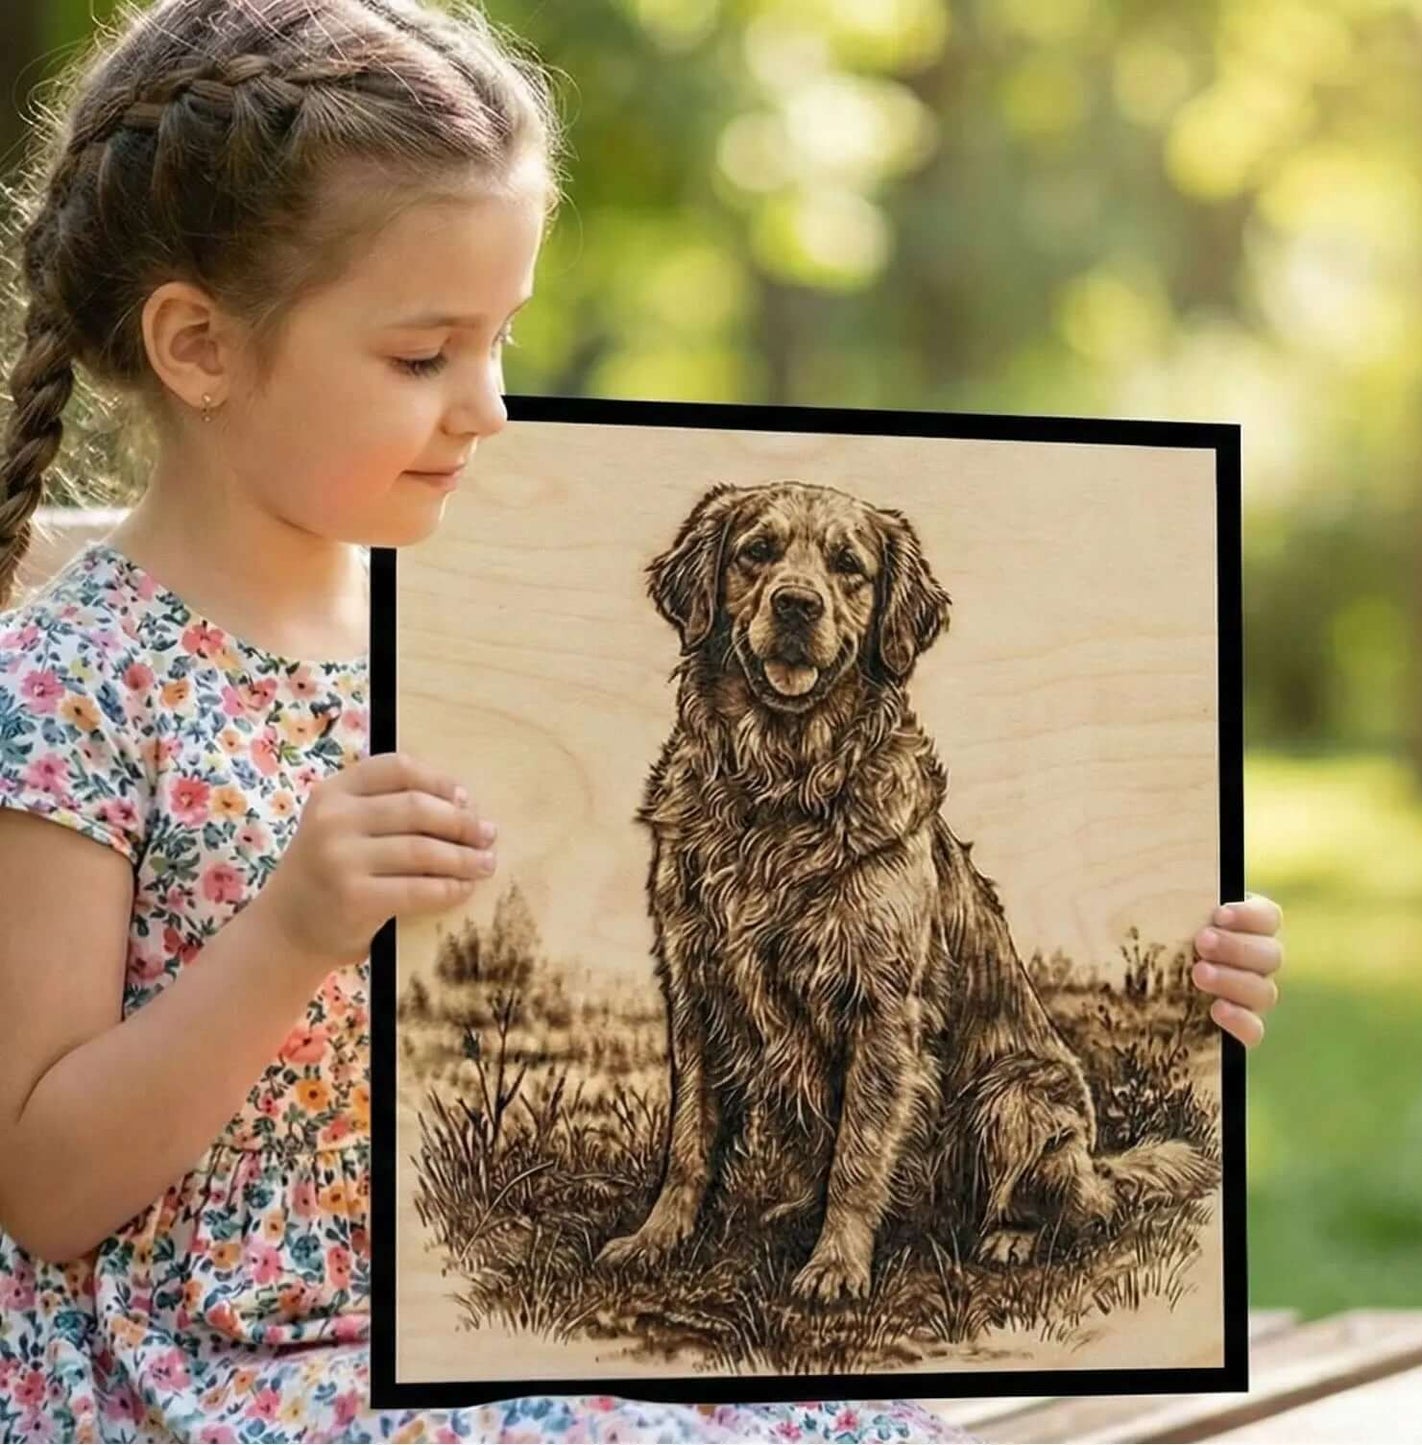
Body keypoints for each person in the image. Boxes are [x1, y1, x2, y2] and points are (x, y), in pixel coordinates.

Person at [0, 1, 1285, 1440]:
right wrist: (287, 934)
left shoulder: (492, 635)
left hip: (470, 1347)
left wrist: (1181, 988)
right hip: (219, 1361)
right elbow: (44, 1188)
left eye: (501, 340)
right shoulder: (74, 684)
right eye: (423, 356)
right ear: (197, 344)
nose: (488, 405)